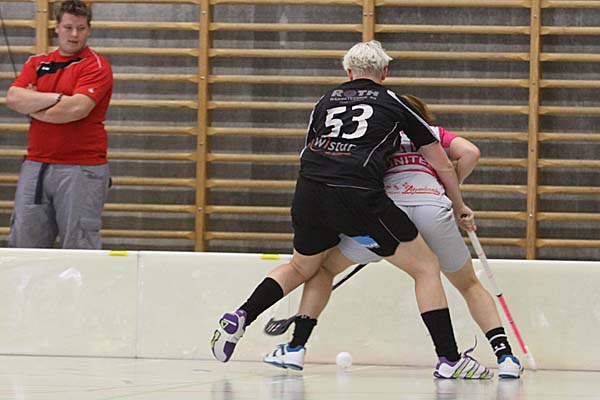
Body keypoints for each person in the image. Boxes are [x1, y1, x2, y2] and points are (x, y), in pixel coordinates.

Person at [211, 41, 492, 379]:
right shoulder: (394, 101)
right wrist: (458, 204)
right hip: (359, 196)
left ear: (348, 72)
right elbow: (442, 163)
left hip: (309, 192)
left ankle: (243, 316)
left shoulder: (324, 101)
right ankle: (449, 358)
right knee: (426, 268)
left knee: (302, 267)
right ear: (384, 73)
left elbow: (309, 150)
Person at [262, 95, 523, 379]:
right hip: (432, 209)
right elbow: (470, 152)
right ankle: (505, 357)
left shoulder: (377, 133)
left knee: (324, 269)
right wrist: (449, 191)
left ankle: (296, 345)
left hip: (386, 216)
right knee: (469, 284)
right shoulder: (433, 133)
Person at [6, 0, 113, 249]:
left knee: (78, 246)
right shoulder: (36, 63)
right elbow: (13, 98)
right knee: (24, 243)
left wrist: (35, 106)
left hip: (81, 167)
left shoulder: (95, 66)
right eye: (68, 27)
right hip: (36, 165)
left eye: (81, 28)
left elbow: (76, 109)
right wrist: (58, 99)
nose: (74, 35)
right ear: (56, 27)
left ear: (89, 30)